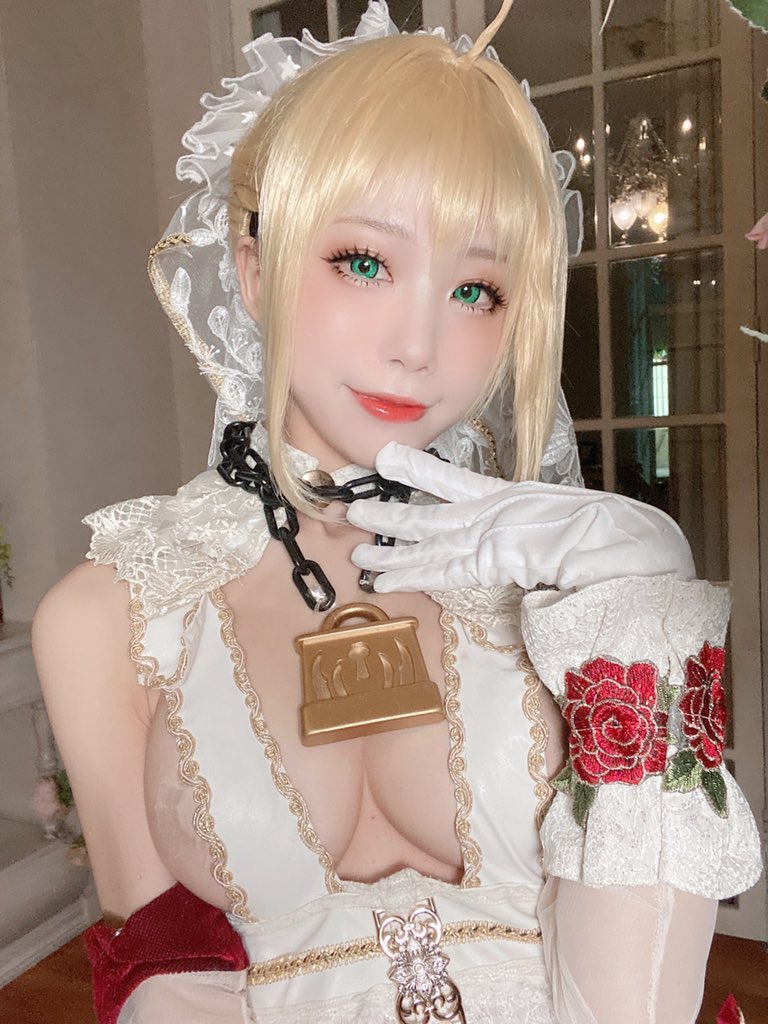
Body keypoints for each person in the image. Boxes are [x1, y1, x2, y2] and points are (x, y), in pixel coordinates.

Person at [32, 3, 762, 1022]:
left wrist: (641, 586)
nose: (418, 346)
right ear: (253, 270)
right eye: (364, 262)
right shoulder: (108, 614)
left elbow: (632, 999)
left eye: (478, 290)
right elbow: (162, 976)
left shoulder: (560, 578)